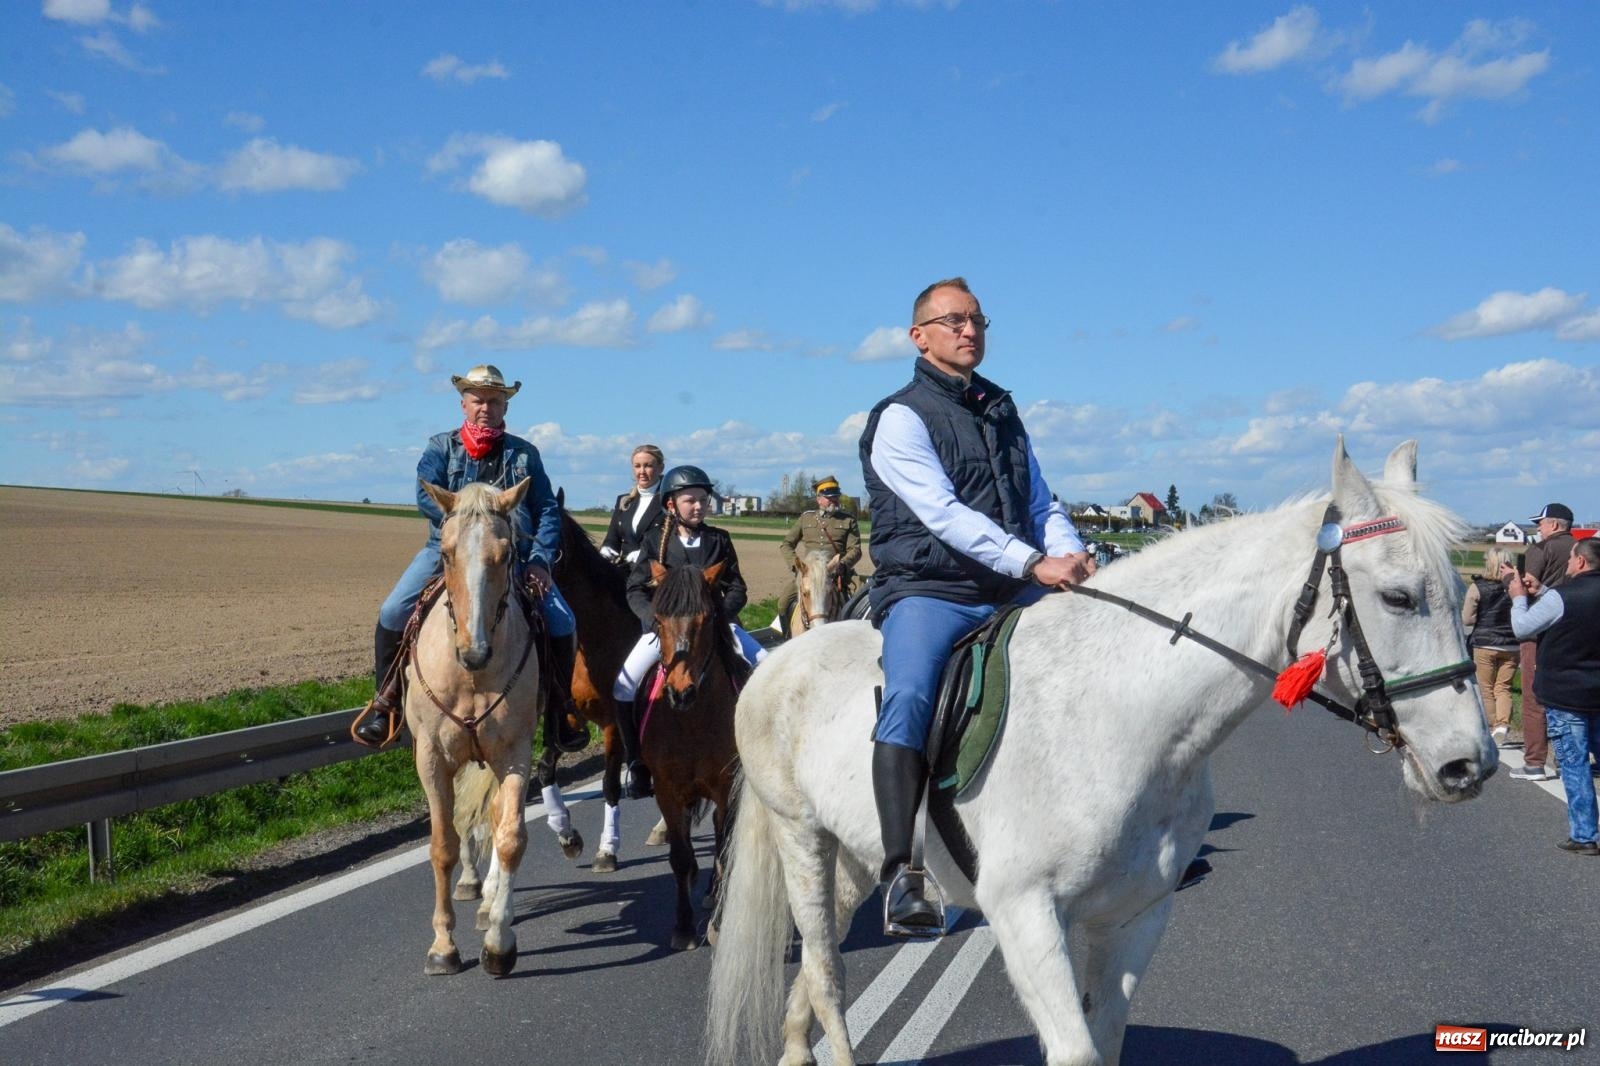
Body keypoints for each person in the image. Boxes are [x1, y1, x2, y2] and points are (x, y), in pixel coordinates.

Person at [859, 276, 1094, 936]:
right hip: (932, 591)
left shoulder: (1001, 411)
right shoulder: (899, 417)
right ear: (920, 336)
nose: (970, 331)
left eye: (979, 320)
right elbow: (943, 514)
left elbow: (1042, 502)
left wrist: (1068, 556)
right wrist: (1032, 563)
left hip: (1010, 588)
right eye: (955, 321)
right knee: (908, 695)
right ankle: (903, 872)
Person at [352, 365, 585, 751]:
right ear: (464, 404)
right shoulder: (440, 447)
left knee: (562, 620)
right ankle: (385, 703)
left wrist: (541, 560)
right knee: (393, 611)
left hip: (513, 553)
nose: (485, 408)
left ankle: (562, 711)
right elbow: (427, 496)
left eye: (494, 401)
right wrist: (466, 523)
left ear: (504, 408)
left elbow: (545, 508)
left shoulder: (525, 455)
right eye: (478, 400)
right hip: (448, 551)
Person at [612, 464, 768, 798]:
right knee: (623, 686)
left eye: (702, 500)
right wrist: (654, 621)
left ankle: (762, 751)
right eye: (690, 501)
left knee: (765, 665)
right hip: (666, 630)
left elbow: (737, 588)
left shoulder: (719, 540)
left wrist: (717, 617)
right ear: (671, 504)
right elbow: (636, 589)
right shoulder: (655, 541)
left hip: (716, 628)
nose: (698, 506)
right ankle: (637, 762)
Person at [1504, 536, 1600, 855]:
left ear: (1582, 562)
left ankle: (1585, 835)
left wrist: (1519, 597)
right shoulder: (1558, 596)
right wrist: (1542, 591)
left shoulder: (1562, 596)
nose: (1570, 563)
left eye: (1572, 559)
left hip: (1566, 696)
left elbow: (1523, 628)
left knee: (1574, 766)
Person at [1510, 503, 1578, 781]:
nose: (1538, 528)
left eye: (1541, 523)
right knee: (1569, 698)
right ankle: (1568, 759)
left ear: (1554, 525)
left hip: (1540, 630)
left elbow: (1526, 585)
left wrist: (1508, 583)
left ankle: (1535, 761)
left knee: (1534, 698)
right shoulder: (1580, 550)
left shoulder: (1539, 549)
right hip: (1575, 629)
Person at [776, 475, 862, 634]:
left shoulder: (848, 520)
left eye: (836, 497)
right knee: (783, 603)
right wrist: (797, 568)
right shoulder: (806, 518)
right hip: (809, 574)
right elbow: (786, 544)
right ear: (819, 498)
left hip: (838, 574)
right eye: (829, 498)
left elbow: (855, 550)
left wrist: (842, 565)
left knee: (860, 602)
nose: (834, 500)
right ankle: (787, 639)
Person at [1462, 547, 1519, 744]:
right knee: (1503, 687)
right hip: (1513, 644)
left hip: (1484, 644)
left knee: (1485, 688)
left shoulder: (1477, 587)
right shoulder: (1517, 586)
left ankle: (1493, 726)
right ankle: (1503, 724)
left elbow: (1467, 619)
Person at [601, 444, 667, 567]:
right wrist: (607, 548)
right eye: (637, 466)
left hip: (654, 573)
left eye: (648, 466)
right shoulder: (624, 501)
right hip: (624, 571)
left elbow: (674, 543)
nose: (642, 471)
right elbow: (612, 537)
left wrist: (645, 554)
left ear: (661, 468)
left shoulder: (669, 502)